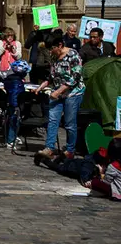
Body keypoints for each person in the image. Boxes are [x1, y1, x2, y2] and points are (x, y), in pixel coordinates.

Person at [35, 31, 85, 160]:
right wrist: (43, 85)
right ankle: (50, 147)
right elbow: (52, 75)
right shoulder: (54, 57)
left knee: (69, 123)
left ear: (60, 45)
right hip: (57, 92)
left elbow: (75, 78)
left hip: (72, 93)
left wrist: (59, 91)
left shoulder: (73, 55)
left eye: (52, 48)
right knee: (52, 120)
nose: (51, 51)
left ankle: (70, 150)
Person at [2, 60, 31, 149]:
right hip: (15, 104)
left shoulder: (9, 79)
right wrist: (16, 106)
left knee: (11, 120)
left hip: (9, 103)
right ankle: (10, 140)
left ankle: (12, 137)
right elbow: (14, 94)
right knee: (14, 121)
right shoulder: (17, 83)